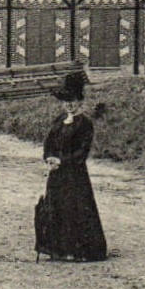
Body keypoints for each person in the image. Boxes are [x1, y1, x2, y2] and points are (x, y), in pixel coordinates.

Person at [35, 71, 107, 261]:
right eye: (66, 100)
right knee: (56, 207)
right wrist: (49, 157)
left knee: (74, 208)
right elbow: (48, 142)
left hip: (75, 175)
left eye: (73, 100)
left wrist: (62, 161)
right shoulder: (59, 121)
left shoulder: (84, 123)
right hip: (56, 174)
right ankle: (58, 249)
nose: (69, 104)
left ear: (80, 101)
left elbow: (82, 152)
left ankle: (79, 250)